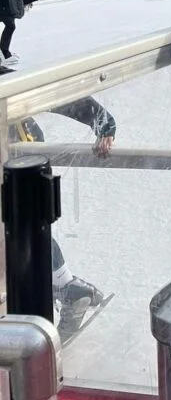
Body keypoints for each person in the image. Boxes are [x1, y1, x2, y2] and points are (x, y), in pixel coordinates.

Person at [12, 98, 113, 339]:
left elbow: (47, 89)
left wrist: (103, 123)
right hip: (18, 144)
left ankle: (64, 287)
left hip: (19, 146)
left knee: (19, 224)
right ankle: (66, 286)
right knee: (19, 226)